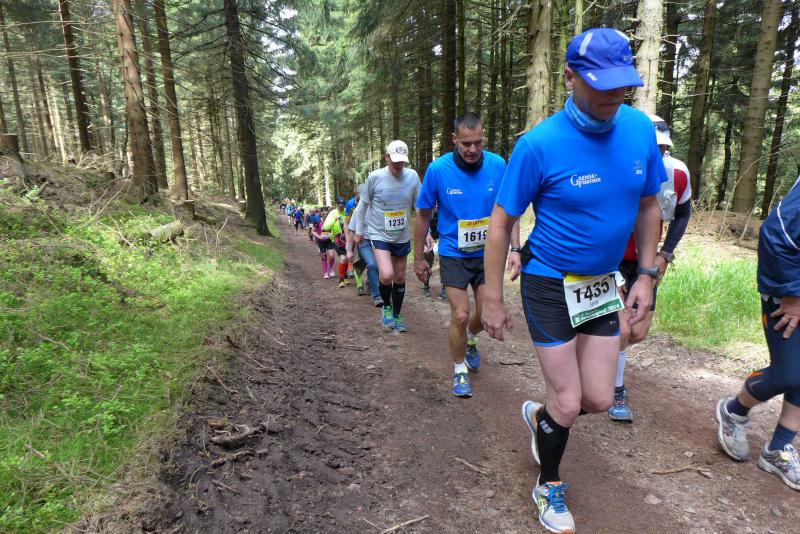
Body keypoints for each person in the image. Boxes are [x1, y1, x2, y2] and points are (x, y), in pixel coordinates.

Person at [481, 28, 666, 533]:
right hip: (548, 281)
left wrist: (646, 276)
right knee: (567, 400)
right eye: (601, 84)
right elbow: (500, 222)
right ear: (569, 77)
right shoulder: (539, 145)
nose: (614, 95)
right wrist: (493, 296)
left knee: (598, 399)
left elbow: (649, 205)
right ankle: (549, 485)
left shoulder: (639, 130)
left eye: (622, 84)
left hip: (602, 283)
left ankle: (541, 419)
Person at [414, 112, 520, 398]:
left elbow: (510, 209)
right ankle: (459, 369)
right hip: (454, 252)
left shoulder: (498, 165)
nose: (473, 149)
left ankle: (470, 337)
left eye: (478, 142)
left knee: (485, 314)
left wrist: (515, 248)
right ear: (454, 139)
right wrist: (418, 257)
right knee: (460, 315)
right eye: (466, 144)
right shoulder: (438, 169)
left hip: (488, 254)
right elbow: (423, 214)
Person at [715, 177, 800, 491]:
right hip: (789, 294)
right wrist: (792, 294)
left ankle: (778, 448)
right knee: (788, 373)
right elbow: (777, 233)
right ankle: (733, 411)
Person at [609, 115, 692, 422]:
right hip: (611, 258)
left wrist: (665, 254)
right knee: (621, 329)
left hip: (646, 263)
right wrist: (610, 270)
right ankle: (616, 389)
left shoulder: (677, 173)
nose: (657, 154)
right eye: (651, 148)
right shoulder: (614, 169)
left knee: (638, 332)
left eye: (662, 148)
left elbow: (682, 214)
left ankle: (599, 353)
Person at [352, 140, 421, 332]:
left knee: (399, 276)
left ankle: (397, 314)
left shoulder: (412, 176)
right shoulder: (375, 177)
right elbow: (362, 206)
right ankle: (387, 308)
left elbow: (420, 206)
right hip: (379, 233)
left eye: (402, 161)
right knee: (387, 274)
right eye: (394, 160)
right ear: (386, 158)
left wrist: (429, 233)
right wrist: (359, 231)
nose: (398, 164)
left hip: (401, 235)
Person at [348, 193, 383, 306]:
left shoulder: (380, 208)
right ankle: (377, 296)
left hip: (379, 240)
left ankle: (371, 283)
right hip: (364, 241)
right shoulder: (358, 211)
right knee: (372, 264)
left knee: (381, 266)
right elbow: (352, 231)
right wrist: (349, 250)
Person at [323, 197, 349, 288]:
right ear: (337, 204)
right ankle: (341, 280)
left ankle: (345, 276)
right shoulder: (333, 213)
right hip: (337, 239)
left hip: (348, 238)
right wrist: (335, 219)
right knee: (343, 257)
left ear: (344, 204)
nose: (341, 205)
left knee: (347, 258)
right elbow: (326, 227)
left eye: (342, 204)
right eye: (339, 204)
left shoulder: (347, 211)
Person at [310, 208, 334, 279]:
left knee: (332, 255)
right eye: (323, 213)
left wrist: (332, 234)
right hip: (321, 241)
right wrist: (319, 237)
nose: (325, 215)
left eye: (327, 213)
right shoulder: (317, 220)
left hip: (329, 240)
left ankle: (331, 269)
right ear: (321, 213)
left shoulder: (331, 220)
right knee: (324, 256)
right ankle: (325, 273)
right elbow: (313, 231)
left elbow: (335, 229)